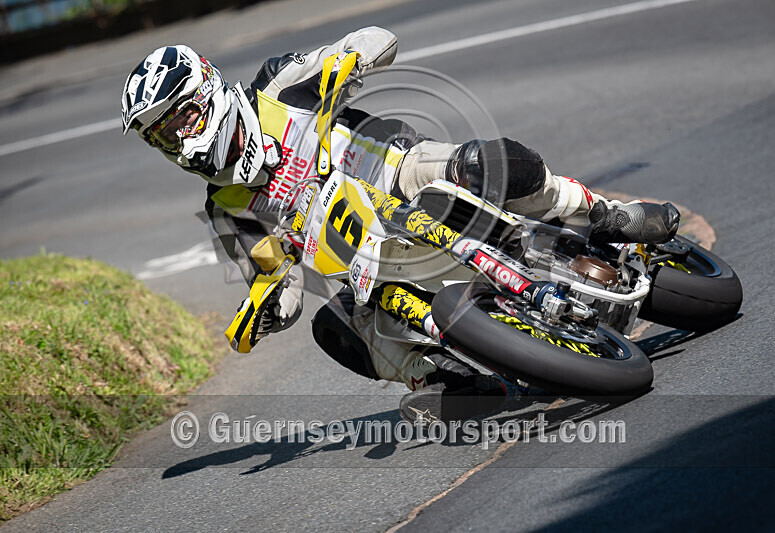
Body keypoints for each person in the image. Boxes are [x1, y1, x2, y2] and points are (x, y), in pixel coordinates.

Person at [121, 27, 679, 422]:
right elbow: (278, 285)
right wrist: (266, 310)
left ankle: (606, 215)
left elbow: (376, 38)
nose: (179, 141)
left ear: (209, 91)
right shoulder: (228, 207)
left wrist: (350, 58)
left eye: (181, 119)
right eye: (162, 136)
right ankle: (441, 377)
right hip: (366, 262)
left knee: (490, 163)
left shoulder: (278, 86)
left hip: (398, 171)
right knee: (334, 328)